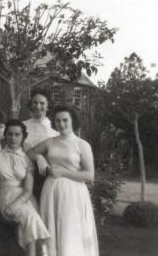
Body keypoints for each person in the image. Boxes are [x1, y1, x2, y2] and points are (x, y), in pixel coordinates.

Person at [32, 105, 99, 256]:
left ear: (72, 121)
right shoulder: (50, 142)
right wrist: (39, 157)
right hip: (51, 192)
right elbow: (30, 152)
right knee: (52, 228)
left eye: (65, 120)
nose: (61, 124)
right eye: (57, 121)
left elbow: (89, 175)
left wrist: (63, 172)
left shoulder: (82, 145)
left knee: (69, 229)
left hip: (73, 194)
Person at [0, 120, 50, 256]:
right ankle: (41, 250)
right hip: (5, 195)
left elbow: (28, 190)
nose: (13, 138)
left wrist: (16, 204)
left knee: (27, 222)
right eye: (10, 134)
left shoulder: (27, 160)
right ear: (5, 135)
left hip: (25, 198)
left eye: (17, 135)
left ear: (23, 137)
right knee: (31, 217)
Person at [22, 89, 59, 200]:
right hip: (23, 172)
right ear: (31, 104)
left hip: (44, 175)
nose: (38, 106)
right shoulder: (22, 126)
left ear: (48, 106)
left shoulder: (55, 130)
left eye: (42, 103)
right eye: (35, 102)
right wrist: (38, 157)